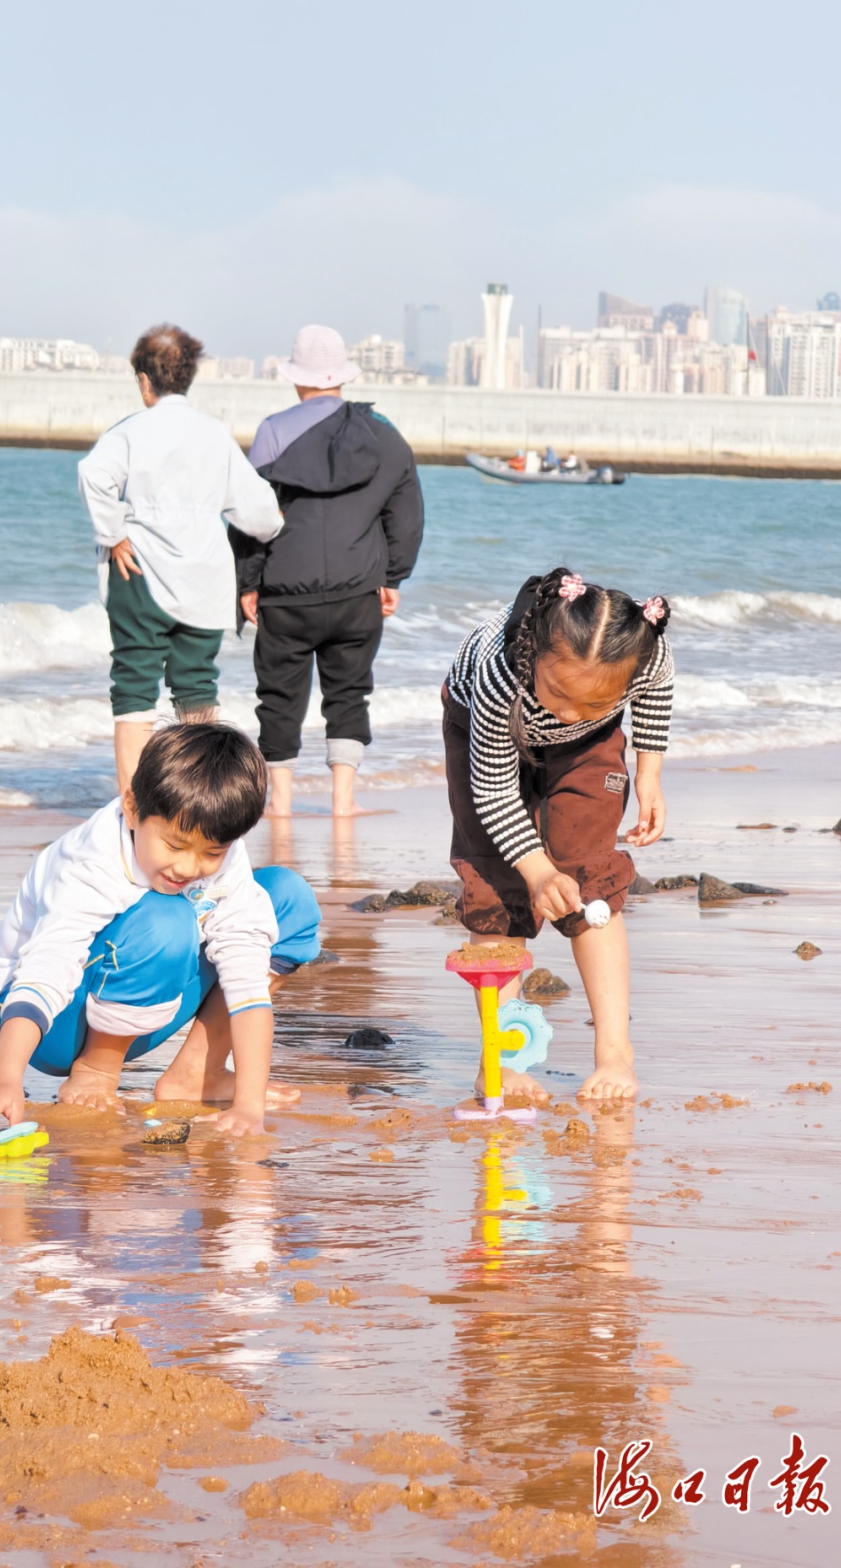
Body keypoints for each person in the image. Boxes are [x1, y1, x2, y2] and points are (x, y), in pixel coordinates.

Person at [0, 724, 321, 1142]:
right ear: (132, 808)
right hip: (49, 1025)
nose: (188, 867)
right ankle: (96, 1070)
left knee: (287, 898)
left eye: (212, 852)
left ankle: (197, 1072)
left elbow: (248, 982)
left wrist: (249, 1106)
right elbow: (48, 967)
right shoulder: (92, 862)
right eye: (175, 845)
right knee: (165, 919)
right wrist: (5, 1080)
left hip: (139, 1008)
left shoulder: (221, 857)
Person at [443, 567, 673, 1104]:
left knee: (589, 874)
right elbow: (494, 792)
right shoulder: (501, 674)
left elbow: (657, 691)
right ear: (537, 660)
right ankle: (498, 1063)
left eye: (592, 702)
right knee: (498, 886)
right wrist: (536, 869)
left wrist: (649, 774)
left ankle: (615, 1050)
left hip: (588, 749)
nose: (567, 712)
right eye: (560, 693)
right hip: (482, 729)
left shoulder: (642, 655)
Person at [79, 324, 284, 795]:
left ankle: (135, 811)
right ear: (187, 378)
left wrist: (113, 534)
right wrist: (275, 520)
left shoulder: (129, 431)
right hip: (205, 581)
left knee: (133, 689)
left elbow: (93, 475)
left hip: (140, 574)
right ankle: (199, 800)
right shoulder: (214, 435)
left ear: (144, 381)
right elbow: (261, 516)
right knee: (196, 689)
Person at [234, 324, 424, 817]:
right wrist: (393, 577)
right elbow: (405, 514)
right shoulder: (385, 437)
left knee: (278, 695)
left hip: (284, 592)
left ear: (297, 379)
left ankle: (280, 804)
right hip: (357, 590)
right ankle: (343, 802)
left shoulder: (274, 431)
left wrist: (247, 582)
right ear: (342, 378)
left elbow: (253, 515)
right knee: (350, 693)